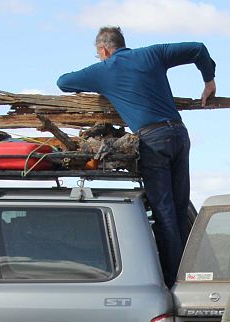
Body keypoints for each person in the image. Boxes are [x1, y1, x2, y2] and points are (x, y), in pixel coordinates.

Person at [57, 26, 217, 287]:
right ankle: (193, 273)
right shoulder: (152, 54)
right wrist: (208, 81)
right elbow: (198, 48)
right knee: (179, 207)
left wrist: (101, 74)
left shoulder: (104, 70)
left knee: (164, 213)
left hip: (152, 140)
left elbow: (63, 82)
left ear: (104, 50)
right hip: (178, 133)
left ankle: (175, 281)